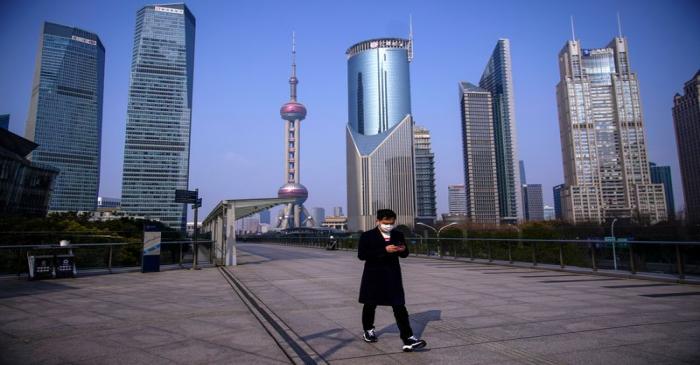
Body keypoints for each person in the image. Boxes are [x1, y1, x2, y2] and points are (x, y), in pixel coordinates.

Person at [358, 209, 427, 352]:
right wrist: (385, 250)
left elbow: (405, 254)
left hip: (392, 275)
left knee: (399, 306)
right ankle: (368, 330)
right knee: (370, 304)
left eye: (391, 223)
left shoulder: (398, 234)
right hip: (373, 276)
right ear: (377, 221)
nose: (389, 225)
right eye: (385, 223)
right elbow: (362, 255)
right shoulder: (367, 236)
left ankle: (408, 339)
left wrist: (402, 250)